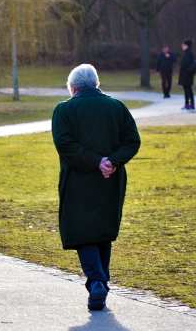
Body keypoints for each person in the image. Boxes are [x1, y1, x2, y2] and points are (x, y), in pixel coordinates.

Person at [51, 64, 141, 311]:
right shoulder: (116, 107)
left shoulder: (64, 110)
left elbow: (65, 145)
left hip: (78, 181)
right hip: (110, 179)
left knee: (83, 232)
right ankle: (100, 281)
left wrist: (95, 161)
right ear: (97, 84)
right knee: (102, 230)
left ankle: (97, 280)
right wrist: (111, 161)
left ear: (73, 87)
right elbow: (133, 141)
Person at [178, 39, 196, 110]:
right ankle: (187, 104)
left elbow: (187, 64)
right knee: (186, 90)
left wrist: (187, 70)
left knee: (189, 90)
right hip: (185, 75)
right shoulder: (186, 53)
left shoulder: (189, 54)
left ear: (187, 46)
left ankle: (192, 104)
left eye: (183, 45)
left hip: (187, 75)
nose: (182, 46)